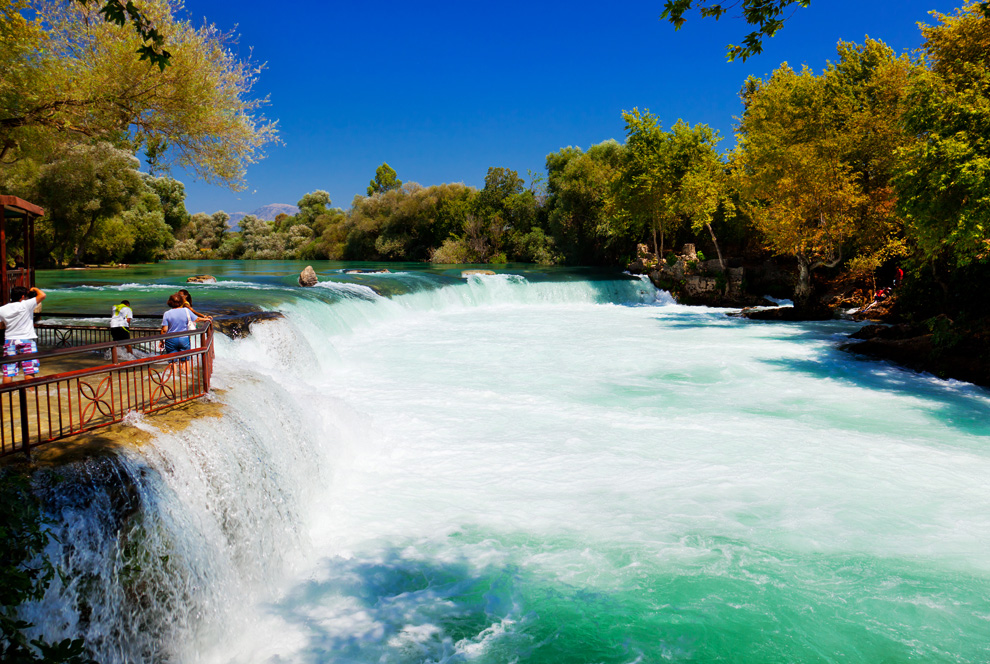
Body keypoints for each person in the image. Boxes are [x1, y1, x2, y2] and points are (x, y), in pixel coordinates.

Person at [0, 286, 46, 384]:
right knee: (29, 369)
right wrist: (34, 289)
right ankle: (31, 394)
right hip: (26, 340)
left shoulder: (2, 309)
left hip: (10, 340)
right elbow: (42, 295)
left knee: (8, 371)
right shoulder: (26, 304)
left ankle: (7, 395)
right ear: (22, 296)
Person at [161, 293, 208, 372]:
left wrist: (161, 340)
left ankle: (174, 380)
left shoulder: (167, 313)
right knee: (185, 360)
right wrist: (206, 319)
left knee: (173, 361)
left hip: (171, 339)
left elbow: (164, 329)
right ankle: (186, 377)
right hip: (184, 338)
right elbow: (197, 319)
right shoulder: (186, 311)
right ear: (181, 301)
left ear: (170, 302)